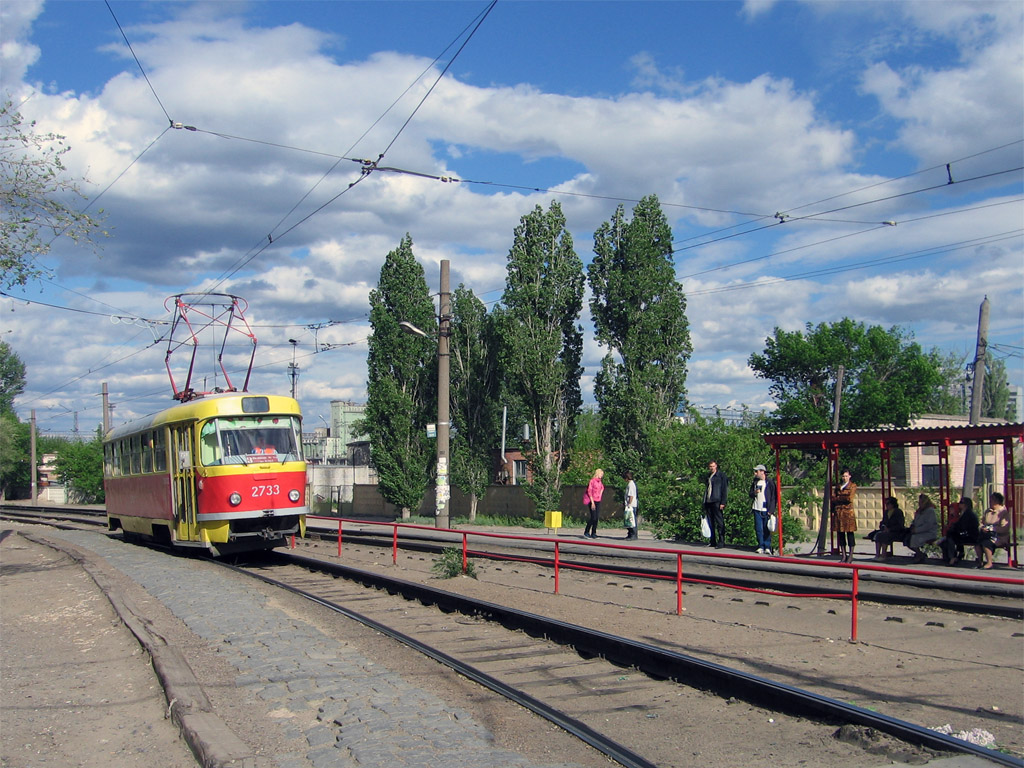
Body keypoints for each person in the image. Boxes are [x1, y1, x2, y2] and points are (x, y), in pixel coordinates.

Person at [975, 492, 1011, 569]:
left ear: (997, 501)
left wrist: (992, 529)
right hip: (986, 534)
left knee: (986, 543)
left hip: (999, 536)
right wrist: (982, 528)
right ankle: (980, 562)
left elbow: (1005, 528)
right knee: (977, 542)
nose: (990, 501)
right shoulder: (988, 511)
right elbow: (981, 522)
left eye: (992, 500)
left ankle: (989, 562)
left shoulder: (1003, 513)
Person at [940, 497, 978, 566]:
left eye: (961, 503)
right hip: (967, 534)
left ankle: (953, 557)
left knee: (950, 536)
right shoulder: (964, 513)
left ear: (965, 504)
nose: (959, 504)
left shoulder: (968, 514)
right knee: (950, 535)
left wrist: (954, 528)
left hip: (971, 535)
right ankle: (958, 554)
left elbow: (963, 526)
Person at [749, 464, 777, 555]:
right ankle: (760, 546)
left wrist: (771, 509)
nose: (755, 473)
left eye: (757, 471)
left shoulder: (769, 482)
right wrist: (754, 492)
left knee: (766, 528)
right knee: (758, 528)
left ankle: (767, 546)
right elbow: (750, 494)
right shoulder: (755, 482)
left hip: (766, 508)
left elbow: (774, 497)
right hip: (757, 507)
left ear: (762, 472)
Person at [831, 469, 857, 563]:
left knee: (850, 533)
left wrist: (839, 497)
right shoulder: (838, 486)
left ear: (849, 476)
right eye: (843, 476)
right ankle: (843, 555)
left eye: (846, 476)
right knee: (840, 534)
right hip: (839, 513)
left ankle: (851, 555)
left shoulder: (852, 486)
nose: (844, 478)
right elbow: (833, 498)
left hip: (848, 513)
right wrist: (838, 499)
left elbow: (849, 498)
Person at [904, 494, 939, 564]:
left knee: (914, 538)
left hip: (929, 533)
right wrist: (912, 526)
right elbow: (915, 521)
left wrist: (916, 530)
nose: (920, 504)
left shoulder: (930, 511)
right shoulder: (919, 511)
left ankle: (919, 555)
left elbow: (928, 525)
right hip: (918, 531)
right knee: (906, 538)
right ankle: (919, 553)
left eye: (921, 502)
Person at [871, 496, 907, 561]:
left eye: (888, 504)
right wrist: (883, 527)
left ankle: (883, 555)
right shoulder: (886, 512)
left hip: (896, 532)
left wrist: (890, 529)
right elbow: (882, 522)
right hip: (886, 531)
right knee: (879, 535)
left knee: (885, 536)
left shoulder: (898, 512)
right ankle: (877, 555)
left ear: (892, 504)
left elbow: (900, 525)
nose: (886, 505)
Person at [703, 461, 728, 548]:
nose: (712, 468)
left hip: (717, 501)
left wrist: (723, 502)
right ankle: (712, 540)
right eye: (710, 466)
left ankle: (721, 541)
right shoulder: (708, 476)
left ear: (716, 466)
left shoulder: (721, 476)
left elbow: (724, 489)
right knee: (710, 522)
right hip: (709, 501)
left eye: (713, 466)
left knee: (719, 522)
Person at [582, 468, 605, 539]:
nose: (602, 475)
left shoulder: (600, 482)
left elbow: (602, 488)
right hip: (592, 500)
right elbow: (589, 491)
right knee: (593, 517)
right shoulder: (592, 481)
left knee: (596, 518)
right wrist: (592, 502)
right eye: (601, 474)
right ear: (597, 473)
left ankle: (594, 533)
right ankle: (586, 532)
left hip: (598, 500)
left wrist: (600, 495)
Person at [623, 471, 638, 540]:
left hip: (631, 505)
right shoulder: (630, 484)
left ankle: (633, 535)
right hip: (629, 504)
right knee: (628, 520)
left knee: (632, 520)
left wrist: (629, 504)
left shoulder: (631, 484)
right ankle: (630, 534)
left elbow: (631, 495)